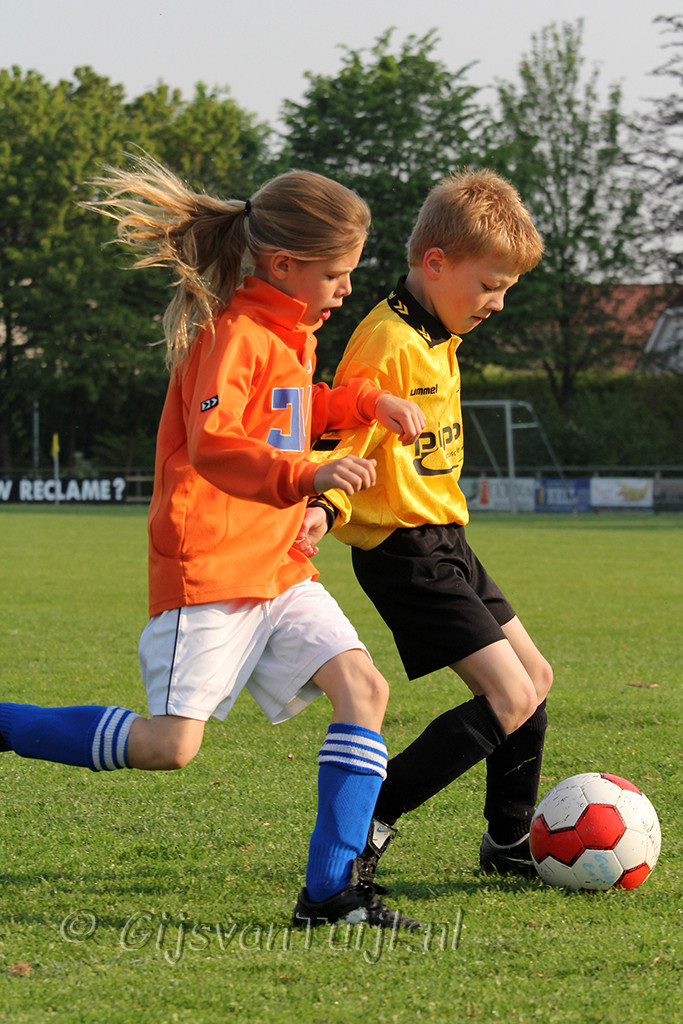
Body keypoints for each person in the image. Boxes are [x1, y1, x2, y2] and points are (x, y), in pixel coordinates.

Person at [0, 154, 426, 931]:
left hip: (279, 566)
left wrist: (366, 401)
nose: (345, 289)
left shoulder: (290, 334)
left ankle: (330, 895)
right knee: (170, 747)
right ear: (284, 265)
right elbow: (215, 445)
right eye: (336, 275)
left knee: (364, 690)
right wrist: (307, 474)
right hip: (212, 567)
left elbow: (290, 411)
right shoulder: (234, 334)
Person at [296, 168, 553, 887]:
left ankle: (508, 841)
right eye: (489, 285)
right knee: (509, 696)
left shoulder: (438, 333)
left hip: (446, 539)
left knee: (533, 681)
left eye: (505, 289)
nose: (497, 303)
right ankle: (366, 822)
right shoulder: (388, 340)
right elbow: (347, 432)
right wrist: (324, 506)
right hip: (401, 548)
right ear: (435, 263)